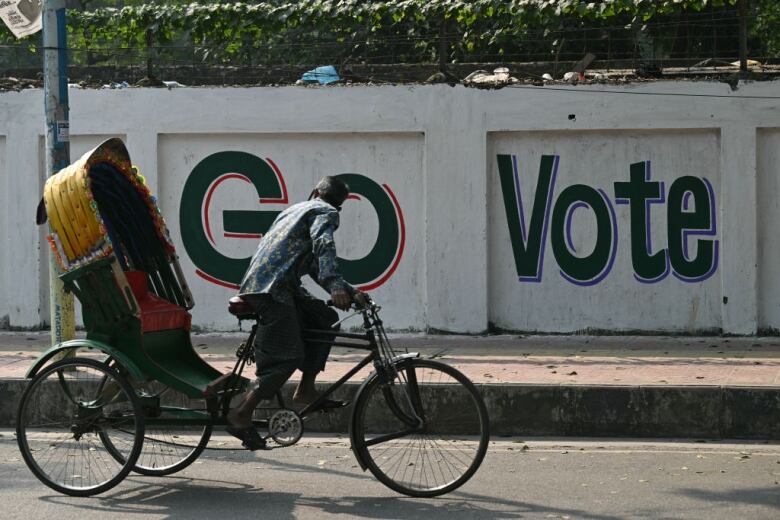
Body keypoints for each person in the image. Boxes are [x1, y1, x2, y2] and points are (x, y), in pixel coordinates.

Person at [226, 175, 363, 449]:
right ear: (339, 205)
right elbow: (324, 246)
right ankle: (241, 413)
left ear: (315, 191)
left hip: (277, 285)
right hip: (271, 289)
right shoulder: (326, 212)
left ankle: (306, 389)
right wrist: (335, 285)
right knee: (287, 356)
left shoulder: (294, 210)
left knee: (324, 318)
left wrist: (349, 290)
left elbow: (312, 264)